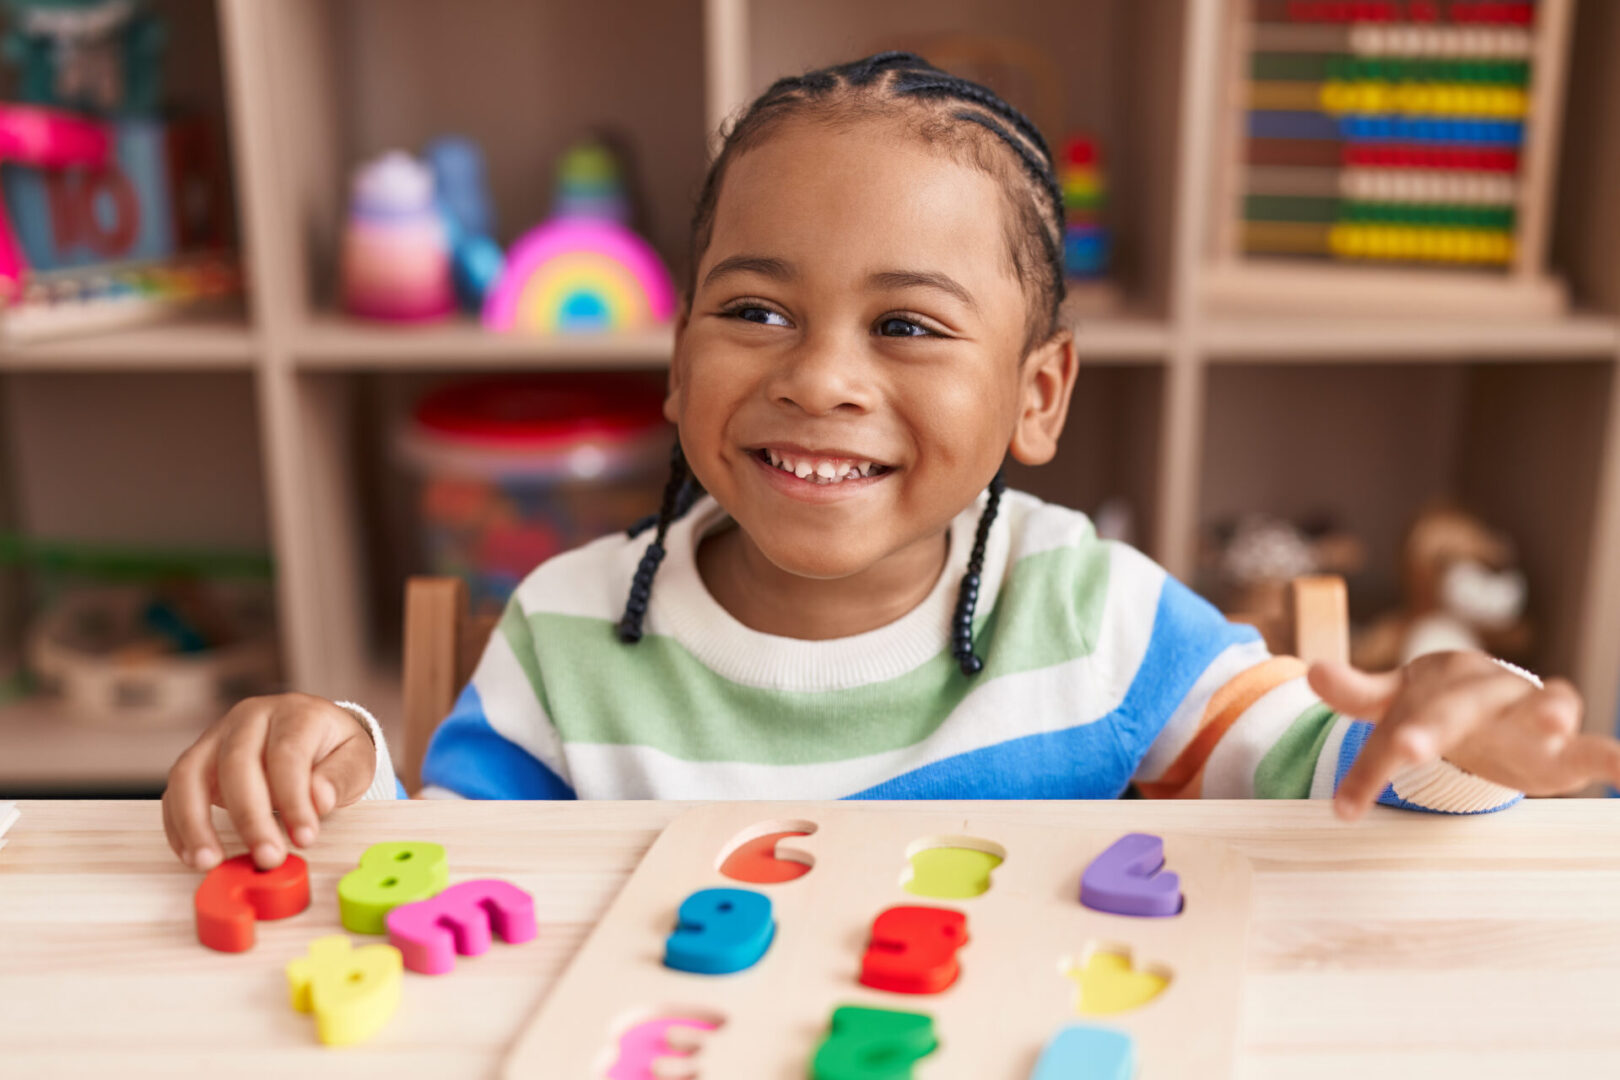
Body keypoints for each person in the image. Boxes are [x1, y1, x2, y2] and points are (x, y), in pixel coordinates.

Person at [161, 52, 1620, 874]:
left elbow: (1338, 792)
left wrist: (1459, 741)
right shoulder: (561, 637)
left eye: (910, 325)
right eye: (754, 312)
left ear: (1038, 394)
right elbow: (442, 892)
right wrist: (329, 766)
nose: (821, 378)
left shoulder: (1097, 622)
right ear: (677, 366)